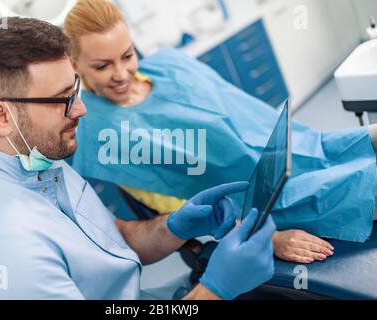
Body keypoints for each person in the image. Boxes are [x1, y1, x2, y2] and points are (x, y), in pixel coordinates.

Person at [0, 17, 275, 300]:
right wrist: (215, 289)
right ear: (2, 116)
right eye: (62, 100)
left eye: (75, 92)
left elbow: (111, 242)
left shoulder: (36, 159)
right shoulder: (1, 247)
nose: (81, 109)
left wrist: (174, 225)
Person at [64, 0, 377, 264]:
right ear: (75, 64)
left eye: (128, 55)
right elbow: (183, 210)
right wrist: (268, 237)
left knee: (361, 140)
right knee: (362, 183)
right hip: (268, 204)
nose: (121, 74)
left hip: (302, 149)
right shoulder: (100, 134)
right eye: (102, 66)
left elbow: (249, 114)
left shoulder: (170, 66)